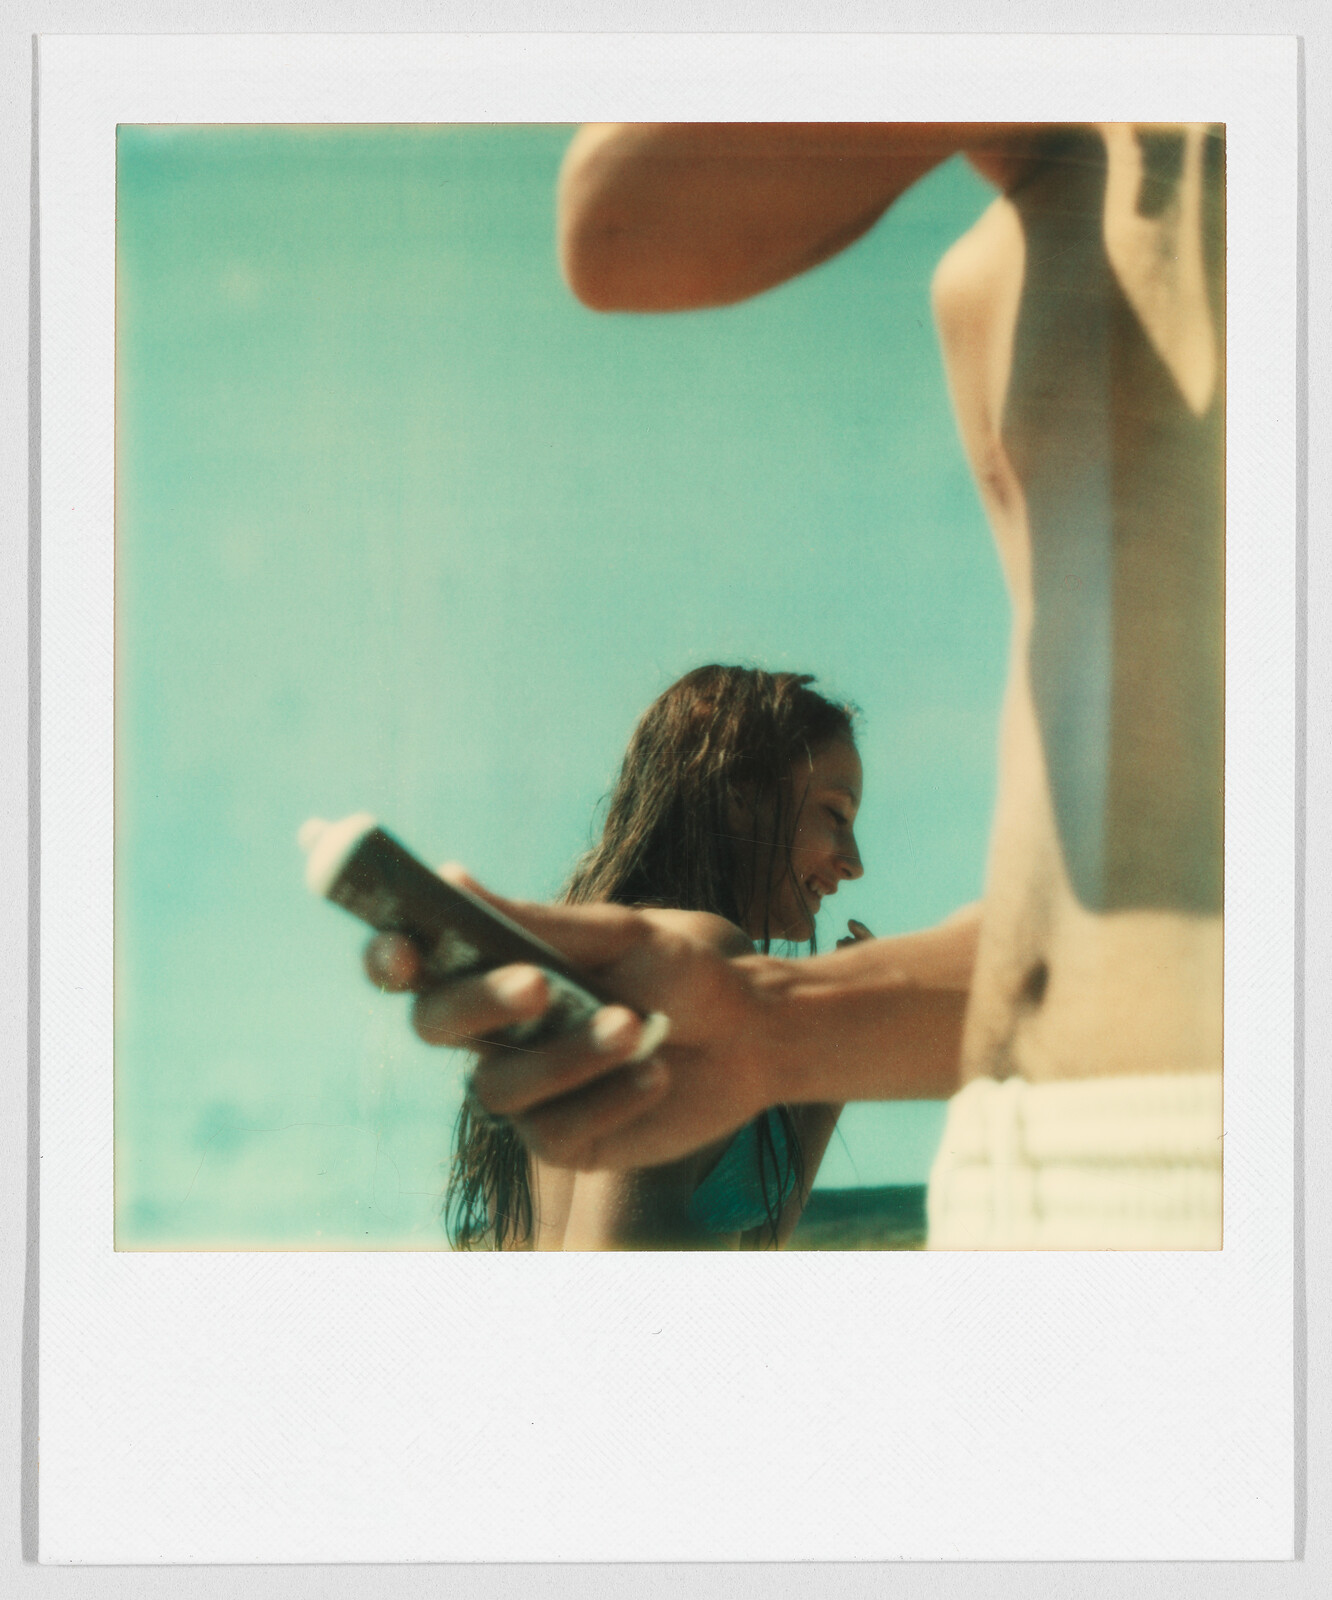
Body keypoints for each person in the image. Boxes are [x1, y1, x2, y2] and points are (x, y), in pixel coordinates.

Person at [373, 123, 1223, 1250]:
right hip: (1022, 1164)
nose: (852, 859)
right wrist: (781, 1027)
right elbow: (618, 220)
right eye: (832, 815)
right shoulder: (1000, 267)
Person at [429, 665, 867, 1250]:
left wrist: (837, 1057)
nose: (853, 860)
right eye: (835, 815)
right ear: (741, 794)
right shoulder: (705, 951)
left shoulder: (598, 970)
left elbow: (743, 1241)